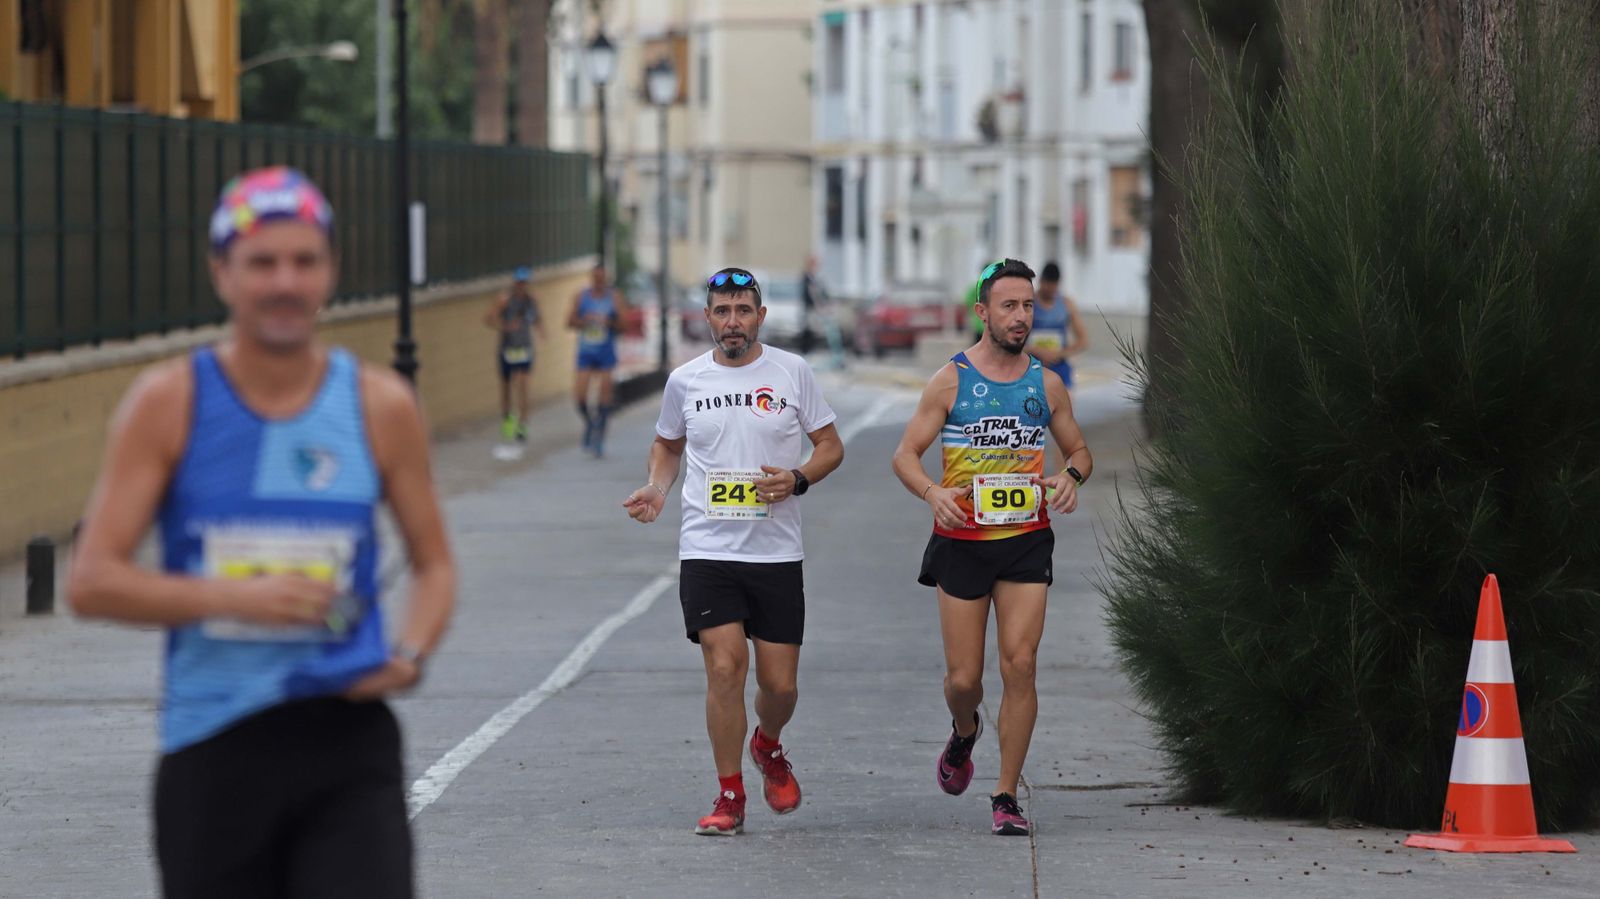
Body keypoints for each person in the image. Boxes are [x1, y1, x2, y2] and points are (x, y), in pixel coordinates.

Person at [67, 166, 457, 898]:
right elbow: (91, 580)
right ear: (222, 273)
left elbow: (433, 561)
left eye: (304, 261)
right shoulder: (169, 401)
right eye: (262, 262)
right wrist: (238, 597)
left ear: (330, 270)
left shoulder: (378, 403)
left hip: (347, 740)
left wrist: (408, 654)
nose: (285, 281)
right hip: (213, 746)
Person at [623, 267, 844, 836]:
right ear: (708, 318)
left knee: (780, 687)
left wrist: (797, 478)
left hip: (774, 552)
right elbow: (667, 446)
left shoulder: (792, 372)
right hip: (707, 547)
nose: (732, 322)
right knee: (725, 668)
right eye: (722, 311)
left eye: (743, 310)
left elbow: (829, 446)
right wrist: (657, 486)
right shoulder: (685, 381)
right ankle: (730, 795)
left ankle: (767, 745)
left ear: (760, 317)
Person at [890, 258, 1093, 837]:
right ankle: (964, 731)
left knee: (1021, 665)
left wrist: (1069, 480)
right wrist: (932, 493)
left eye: (1028, 305)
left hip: (1026, 540)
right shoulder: (951, 380)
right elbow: (905, 455)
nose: (1021, 316)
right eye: (1009, 306)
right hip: (963, 544)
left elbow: (1078, 452)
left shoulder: (1045, 383)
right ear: (983, 312)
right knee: (964, 681)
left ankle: (1005, 795)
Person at [567, 264, 629, 457]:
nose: (599, 282)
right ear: (592, 278)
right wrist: (585, 320)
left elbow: (624, 324)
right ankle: (590, 424)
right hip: (585, 352)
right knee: (580, 396)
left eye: (602, 279)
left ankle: (599, 439)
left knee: (604, 397)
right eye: (596, 278)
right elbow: (569, 322)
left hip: (605, 353)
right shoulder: (581, 296)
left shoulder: (614, 297)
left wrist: (608, 322)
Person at [486, 265, 546, 442]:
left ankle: (523, 423)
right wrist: (505, 326)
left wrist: (542, 331)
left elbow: (537, 318)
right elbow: (489, 318)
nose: (522, 286)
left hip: (524, 348)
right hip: (507, 348)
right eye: (519, 282)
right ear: (515, 282)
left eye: (524, 282)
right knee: (506, 387)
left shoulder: (531, 300)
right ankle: (508, 417)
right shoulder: (504, 299)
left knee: (523, 385)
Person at [1025, 261, 1087, 390]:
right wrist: (1037, 351)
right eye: (1047, 284)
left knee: (1065, 406)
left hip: (1059, 367)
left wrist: (1059, 354)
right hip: (1031, 367)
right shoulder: (1028, 302)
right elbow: (1014, 341)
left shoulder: (1066, 304)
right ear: (1041, 280)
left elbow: (1083, 341)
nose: (1050, 289)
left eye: (1054, 285)